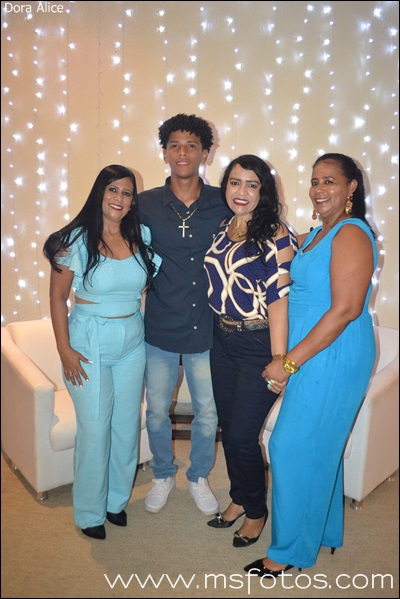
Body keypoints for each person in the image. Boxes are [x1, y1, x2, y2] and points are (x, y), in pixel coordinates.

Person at [244, 153, 378, 576]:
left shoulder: (351, 233)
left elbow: (345, 310)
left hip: (333, 354)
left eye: (330, 181)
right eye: (315, 180)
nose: (319, 189)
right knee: (319, 448)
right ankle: (323, 532)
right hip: (313, 352)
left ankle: (288, 552)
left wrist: (288, 364)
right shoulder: (319, 232)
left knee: (288, 447)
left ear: (351, 187)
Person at [43, 164, 161, 540]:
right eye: (113, 190)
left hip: (132, 339)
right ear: (100, 192)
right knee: (95, 428)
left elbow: (142, 289)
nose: (119, 198)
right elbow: (57, 297)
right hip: (88, 340)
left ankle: (115, 501)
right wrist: (64, 349)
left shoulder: (140, 235)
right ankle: (89, 511)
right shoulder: (74, 240)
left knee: (125, 425)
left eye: (127, 192)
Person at [138, 113, 231, 515]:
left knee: (208, 411)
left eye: (191, 145)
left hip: (206, 327)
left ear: (205, 153)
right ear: (164, 152)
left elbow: (258, 231)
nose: (182, 152)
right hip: (160, 325)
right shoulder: (145, 204)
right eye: (174, 144)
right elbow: (110, 235)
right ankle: (162, 473)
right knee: (157, 410)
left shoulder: (223, 202)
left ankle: (198, 476)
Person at [203, 155, 298, 547]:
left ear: (264, 191)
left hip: (258, 344)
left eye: (252, 184)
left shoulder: (276, 235)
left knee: (243, 436)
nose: (241, 192)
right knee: (229, 429)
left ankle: (257, 512)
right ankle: (240, 497)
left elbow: (280, 301)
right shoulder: (224, 227)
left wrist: (279, 359)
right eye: (234, 182)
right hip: (222, 339)